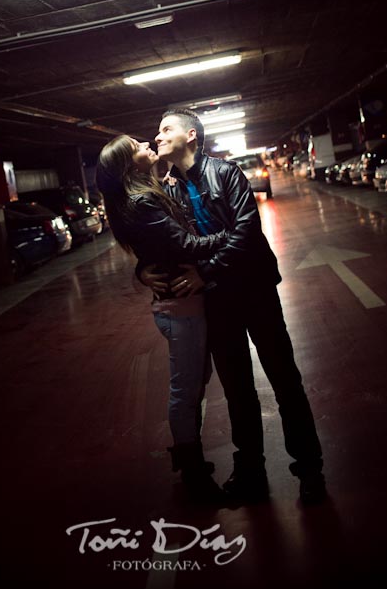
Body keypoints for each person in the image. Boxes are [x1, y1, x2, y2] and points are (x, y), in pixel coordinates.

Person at [139, 107, 326, 506]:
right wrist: (143, 272)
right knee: (238, 391)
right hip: (217, 303)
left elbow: (246, 233)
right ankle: (251, 473)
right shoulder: (169, 191)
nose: (157, 136)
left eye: (165, 128)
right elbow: (161, 242)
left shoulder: (226, 174)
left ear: (191, 136)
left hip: (255, 291)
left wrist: (205, 271)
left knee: (284, 380)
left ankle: (309, 470)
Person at [96, 134, 230, 504]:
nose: (145, 143)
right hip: (179, 307)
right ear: (129, 165)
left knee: (195, 385)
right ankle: (192, 473)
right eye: (136, 145)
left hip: (182, 303)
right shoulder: (141, 203)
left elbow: (159, 246)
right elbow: (185, 245)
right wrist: (236, 234)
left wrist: (141, 270)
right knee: (185, 392)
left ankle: (192, 461)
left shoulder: (150, 192)